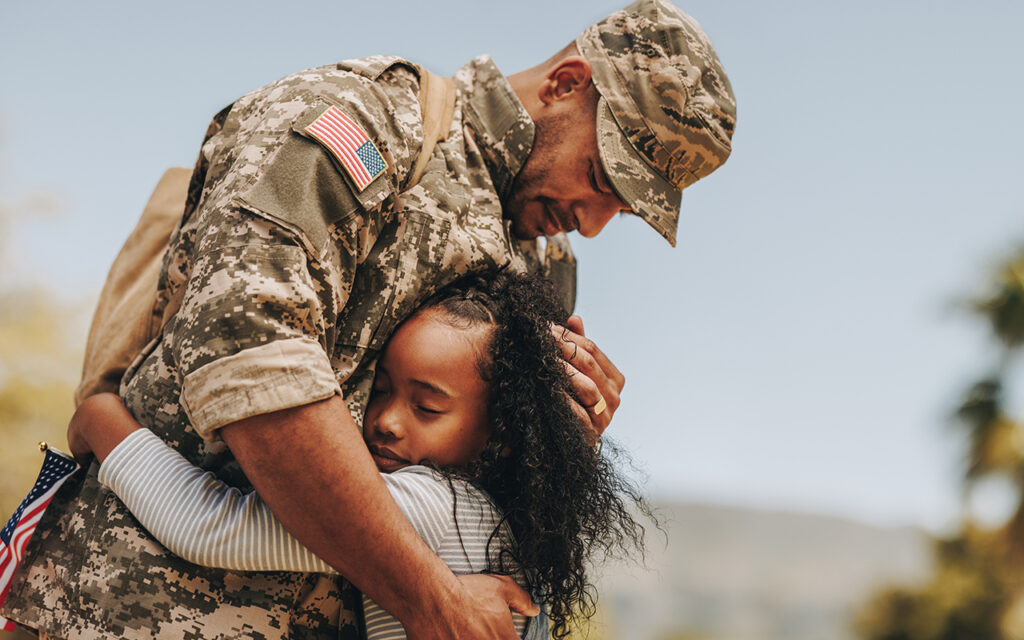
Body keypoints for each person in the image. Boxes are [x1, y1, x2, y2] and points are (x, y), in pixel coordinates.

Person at [0, 1, 735, 638]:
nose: (596, 223)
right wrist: (428, 598)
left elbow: (471, 503)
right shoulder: (371, 123)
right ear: (567, 83)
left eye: (624, 208)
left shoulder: (544, 265)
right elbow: (253, 360)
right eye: (603, 179)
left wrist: (563, 436)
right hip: (144, 613)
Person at [66, 273, 651, 640]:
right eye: (384, 389)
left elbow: (210, 527)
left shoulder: (431, 505)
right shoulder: (504, 518)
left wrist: (100, 417)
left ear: (498, 435)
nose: (385, 421)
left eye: (427, 407)